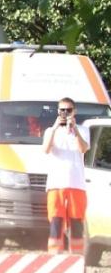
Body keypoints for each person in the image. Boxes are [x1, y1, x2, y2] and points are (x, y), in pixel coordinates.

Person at [42, 97, 90, 254]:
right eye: (62, 110)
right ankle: (54, 255)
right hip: (56, 184)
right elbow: (46, 149)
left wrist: (74, 130)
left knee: (77, 222)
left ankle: (77, 256)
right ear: (58, 111)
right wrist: (55, 127)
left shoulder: (83, 130)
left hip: (77, 184)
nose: (65, 113)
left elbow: (83, 149)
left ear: (74, 111)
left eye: (68, 110)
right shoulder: (50, 131)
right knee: (56, 221)